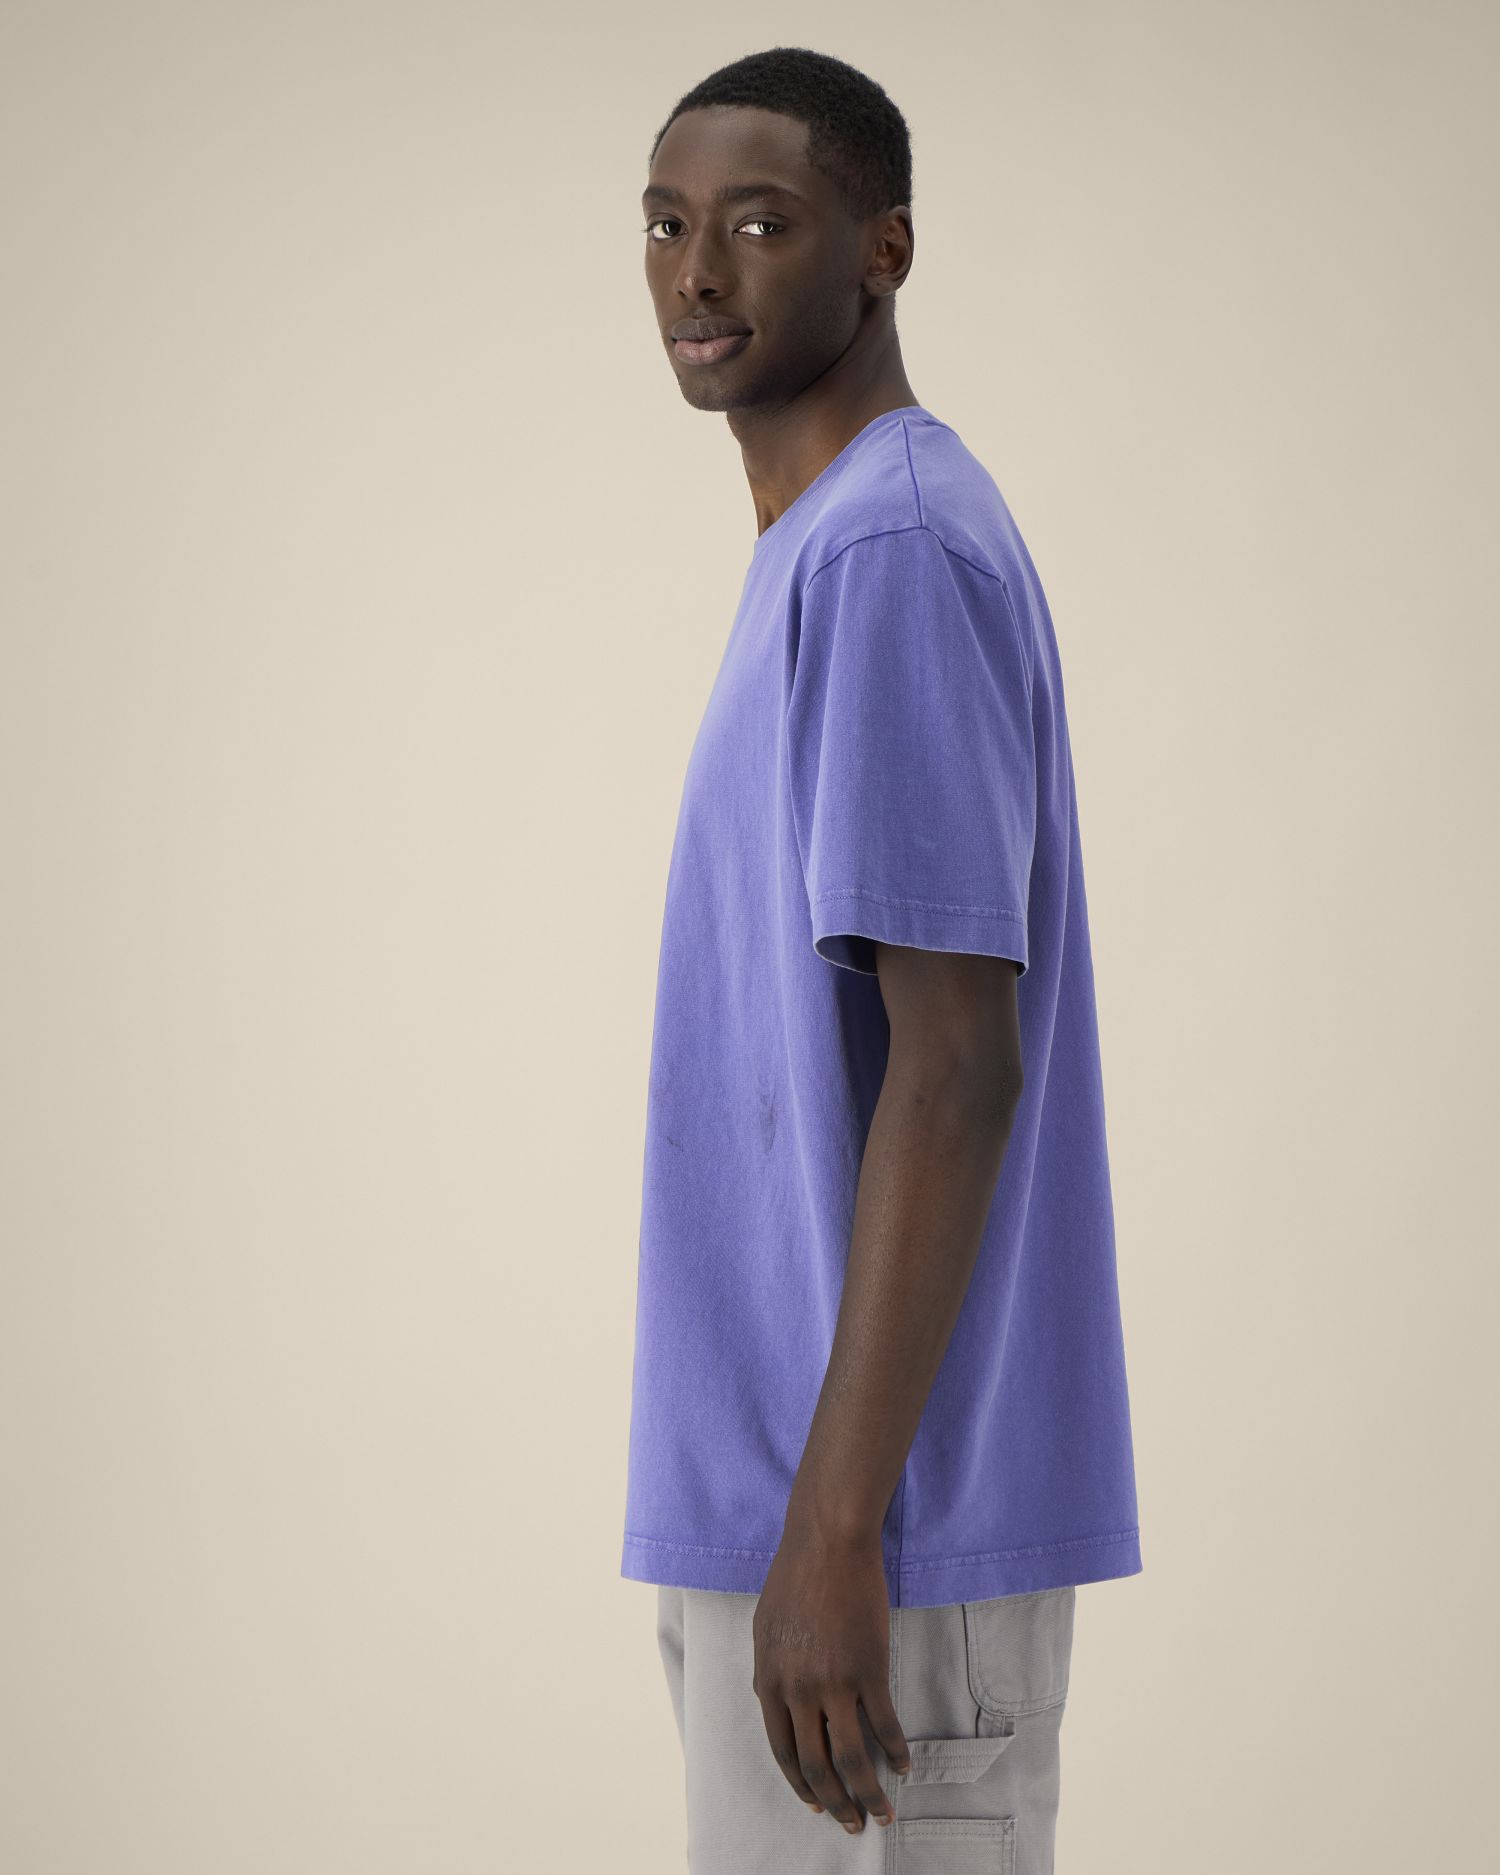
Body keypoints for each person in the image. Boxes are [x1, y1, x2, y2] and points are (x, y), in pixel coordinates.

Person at [619, 45, 1143, 1874]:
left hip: (874, 1543)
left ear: (884, 251)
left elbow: (958, 1062)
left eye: (762, 224)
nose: (699, 274)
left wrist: (837, 1528)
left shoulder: (891, 553)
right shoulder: (820, 548)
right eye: (666, 225)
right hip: (783, 1518)